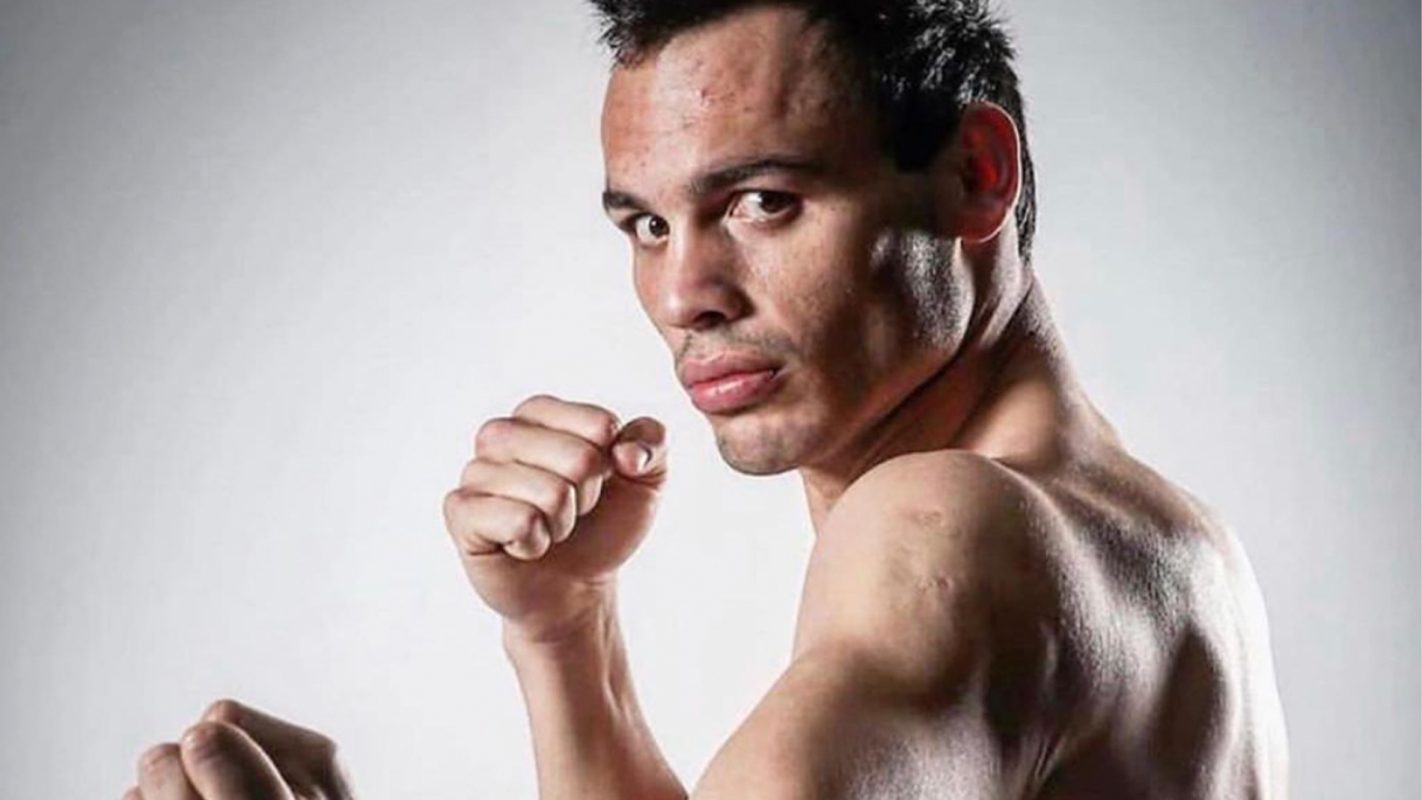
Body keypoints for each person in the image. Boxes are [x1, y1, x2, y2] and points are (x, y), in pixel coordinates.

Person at [122, 1, 1291, 797]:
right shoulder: (1178, 550)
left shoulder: (945, 525)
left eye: (762, 201)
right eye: (646, 224)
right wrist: (564, 635)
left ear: (974, 175)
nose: (685, 294)